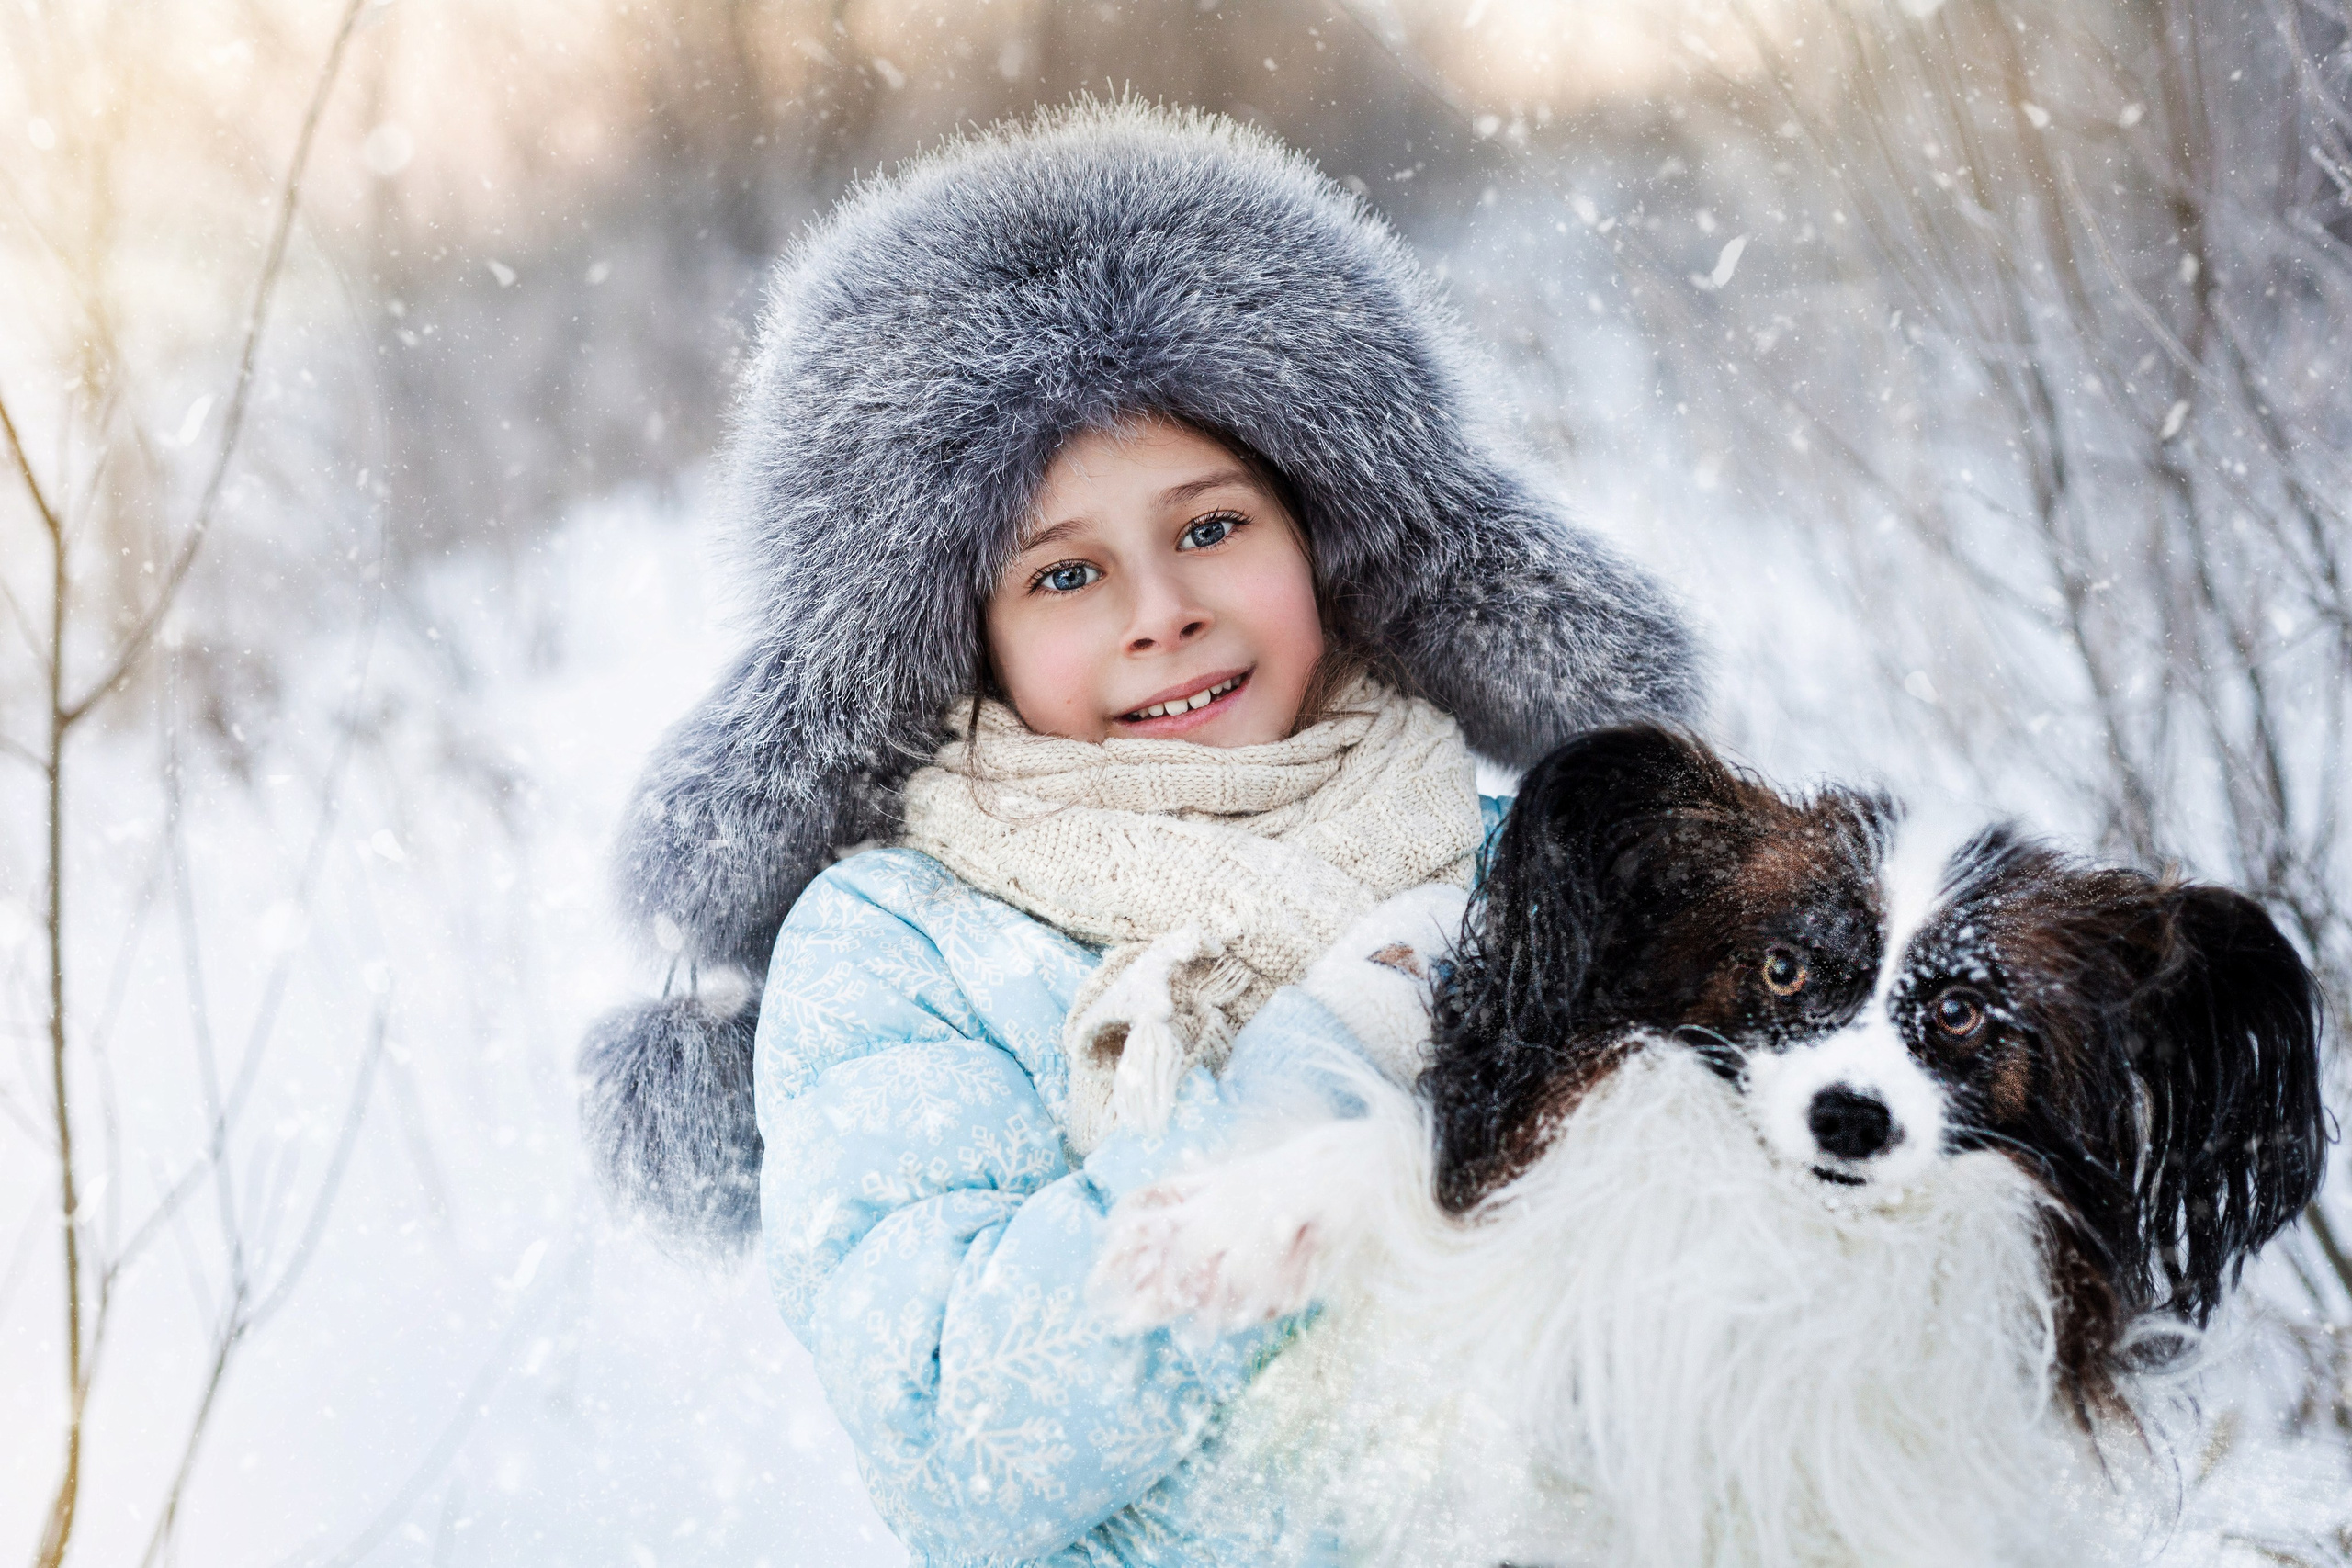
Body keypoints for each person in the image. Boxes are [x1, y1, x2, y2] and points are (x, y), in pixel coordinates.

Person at [580, 101, 1702, 1565]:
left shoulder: (1534, 865)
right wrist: (1337, 1050)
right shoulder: (900, 952)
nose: (1159, 611)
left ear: (1334, 536)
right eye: (1064, 576)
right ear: (946, 638)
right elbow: (968, 1435)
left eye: (1211, 526)